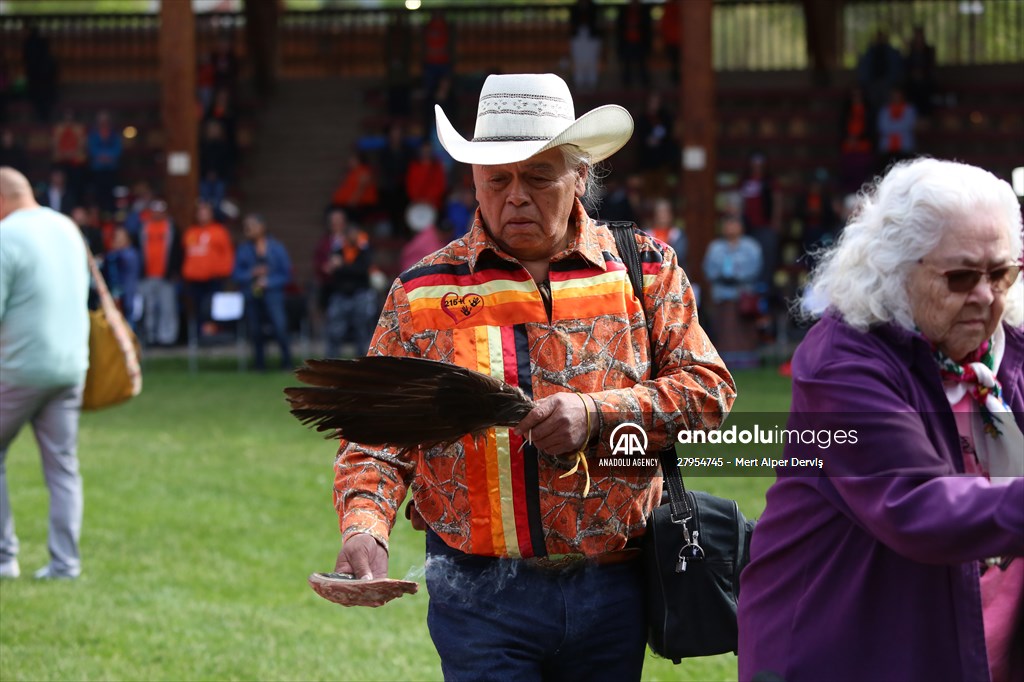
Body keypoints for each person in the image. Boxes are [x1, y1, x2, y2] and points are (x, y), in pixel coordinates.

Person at [330, 73, 735, 681]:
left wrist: (597, 413)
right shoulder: (422, 292)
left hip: (613, 584)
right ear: (475, 181)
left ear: (580, 176)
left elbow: (709, 389)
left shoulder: (643, 268)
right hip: (476, 593)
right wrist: (366, 526)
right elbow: (376, 433)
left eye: (538, 177)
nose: (515, 196)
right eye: (498, 179)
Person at [738, 158, 1024, 682]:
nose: (986, 296)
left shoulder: (1010, 352)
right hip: (847, 648)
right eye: (961, 276)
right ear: (896, 268)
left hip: (978, 648)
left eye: (1001, 272)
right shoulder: (842, 363)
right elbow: (916, 504)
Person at [0, 166, 90, 580]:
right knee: (62, 466)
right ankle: (64, 564)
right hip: (71, 366)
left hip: (18, 368)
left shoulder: (7, 236)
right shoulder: (67, 227)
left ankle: (4, 558)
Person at [232, 214, 293, 371]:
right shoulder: (243, 249)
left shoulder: (276, 247)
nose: (247, 229)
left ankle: (286, 361)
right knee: (255, 329)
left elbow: (286, 274)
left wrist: (269, 282)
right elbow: (236, 274)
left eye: (251, 225)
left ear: (262, 227)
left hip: (273, 294)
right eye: (245, 226)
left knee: (279, 327)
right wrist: (251, 273)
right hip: (252, 294)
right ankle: (260, 364)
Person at [702, 214, 763, 369]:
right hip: (722, 294)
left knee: (743, 332)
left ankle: (747, 360)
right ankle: (724, 362)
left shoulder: (751, 246)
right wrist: (722, 277)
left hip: (743, 295)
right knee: (724, 331)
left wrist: (737, 276)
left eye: (734, 224)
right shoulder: (715, 247)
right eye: (727, 224)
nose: (730, 228)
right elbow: (708, 269)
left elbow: (755, 267)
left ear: (741, 227)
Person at [317, 209, 375, 358]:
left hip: (360, 293)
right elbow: (331, 270)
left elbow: (363, 269)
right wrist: (341, 267)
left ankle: (363, 361)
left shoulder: (364, 248)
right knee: (335, 330)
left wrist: (342, 266)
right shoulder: (338, 248)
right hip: (341, 294)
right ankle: (332, 361)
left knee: (362, 329)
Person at [181, 200, 234, 339]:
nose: (202, 215)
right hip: (194, 279)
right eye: (200, 212)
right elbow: (186, 253)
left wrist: (225, 272)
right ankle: (199, 335)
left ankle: (214, 335)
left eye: (206, 211)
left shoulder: (219, 231)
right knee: (197, 308)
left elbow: (227, 253)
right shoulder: (191, 232)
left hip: (214, 278)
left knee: (213, 308)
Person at [138, 200, 180, 346]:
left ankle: (167, 339)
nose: (157, 213)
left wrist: (174, 271)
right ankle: (150, 337)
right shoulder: (143, 228)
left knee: (167, 308)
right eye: (154, 210)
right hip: (147, 275)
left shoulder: (171, 228)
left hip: (165, 276)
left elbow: (177, 252)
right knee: (148, 308)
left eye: (160, 210)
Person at [569, 0, 603, 91]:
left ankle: (592, 85)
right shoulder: (575, 8)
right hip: (578, 37)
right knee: (579, 61)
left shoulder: (594, 8)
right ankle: (579, 84)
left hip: (592, 38)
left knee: (591, 61)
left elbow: (598, 23)